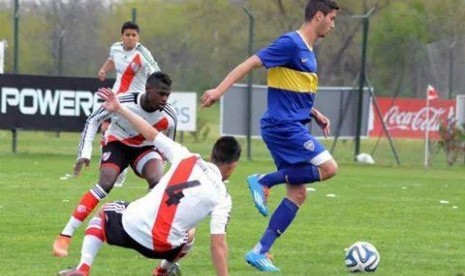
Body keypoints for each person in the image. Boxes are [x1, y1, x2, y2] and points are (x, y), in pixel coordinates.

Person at [200, 0, 339, 272]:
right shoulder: (290, 43)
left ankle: (260, 250)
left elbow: (290, 92)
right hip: (283, 127)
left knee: (298, 193)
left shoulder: (308, 52)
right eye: (332, 18)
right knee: (329, 168)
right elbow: (249, 64)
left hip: (290, 125)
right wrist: (218, 90)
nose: (333, 25)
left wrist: (314, 112)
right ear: (319, 16)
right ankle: (264, 180)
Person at [57, 87, 241, 276]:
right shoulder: (223, 198)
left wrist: (120, 109)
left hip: (132, 228)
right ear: (233, 165)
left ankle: (83, 269)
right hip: (165, 247)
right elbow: (218, 245)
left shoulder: (186, 156)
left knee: (104, 212)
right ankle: (162, 270)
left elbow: (150, 133)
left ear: (212, 155)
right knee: (190, 235)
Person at [53, 72, 177, 258]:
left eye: (167, 95)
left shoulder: (170, 116)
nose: (165, 99)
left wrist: (161, 163)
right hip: (117, 143)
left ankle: (151, 233)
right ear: (148, 90)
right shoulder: (123, 101)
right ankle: (66, 234)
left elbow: (169, 146)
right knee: (105, 184)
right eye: (161, 94)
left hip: (145, 149)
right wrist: (85, 153)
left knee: (158, 182)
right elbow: (93, 119)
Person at [98, 21, 161, 187]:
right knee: (105, 129)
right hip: (115, 98)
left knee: (130, 133)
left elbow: (156, 72)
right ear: (122, 36)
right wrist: (104, 69)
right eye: (128, 35)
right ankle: (117, 166)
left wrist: (155, 92)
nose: (131, 38)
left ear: (138, 37)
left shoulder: (143, 53)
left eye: (134, 35)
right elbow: (112, 59)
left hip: (134, 102)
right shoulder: (115, 48)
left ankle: (129, 163)